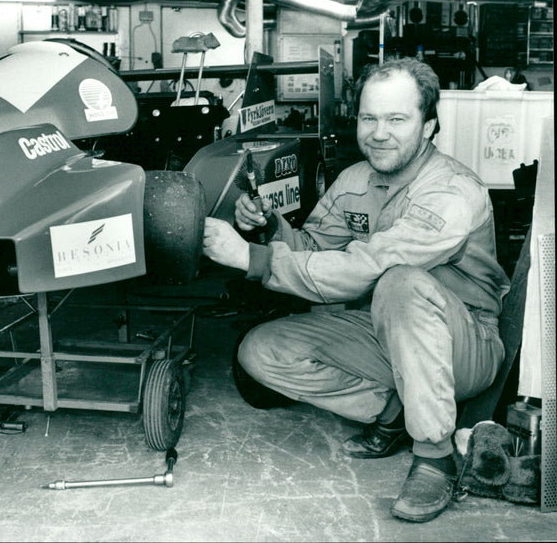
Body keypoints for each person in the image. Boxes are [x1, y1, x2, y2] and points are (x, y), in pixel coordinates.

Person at [203, 57, 509, 523]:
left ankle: (434, 455)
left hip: (464, 342)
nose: (378, 132)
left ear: (429, 126)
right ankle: (396, 410)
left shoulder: (452, 191)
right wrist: (269, 228)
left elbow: (369, 267)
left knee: (399, 281)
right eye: (369, 118)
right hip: (384, 330)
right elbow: (312, 247)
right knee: (262, 350)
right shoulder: (354, 181)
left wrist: (252, 260)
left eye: (396, 119)